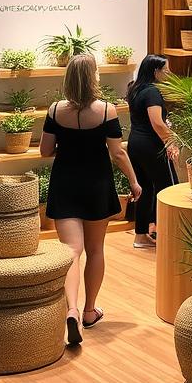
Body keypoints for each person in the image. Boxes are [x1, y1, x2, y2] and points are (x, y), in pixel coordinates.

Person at [40, 53, 142, 345]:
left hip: (65, 184)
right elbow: (118, 152)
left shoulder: (56, 110)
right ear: (92, 77)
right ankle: (88, 311)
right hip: (96, 184)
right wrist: (134, 182)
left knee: (71, 250)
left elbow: (46, 151)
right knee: (95, 250)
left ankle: (70, 309)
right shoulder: (107, 110)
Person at [125, 54, 179, 249]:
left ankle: (140, 236)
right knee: (170, 188)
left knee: (145, 190)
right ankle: (169, 236)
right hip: (152, 146)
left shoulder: (135, 89)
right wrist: (171, 142)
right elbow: (156, 122)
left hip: (135, 144)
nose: (169, 73)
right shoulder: (152, 92)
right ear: (156, 71)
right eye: (166, 70)